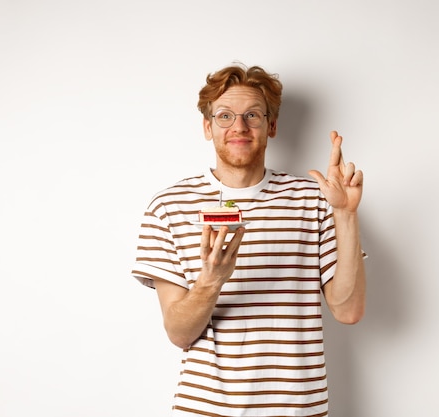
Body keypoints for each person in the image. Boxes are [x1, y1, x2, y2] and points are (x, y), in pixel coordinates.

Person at [132, 63, 366, 416]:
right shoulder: (168, 206)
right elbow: (179, 333)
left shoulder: (316, 199)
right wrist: (211, 280)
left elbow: (348, 311)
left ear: (271, 126)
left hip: (298, 410)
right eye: (224, 116)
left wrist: (346, 214)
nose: (238, 127)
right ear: (207, 127)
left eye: (252, 115)